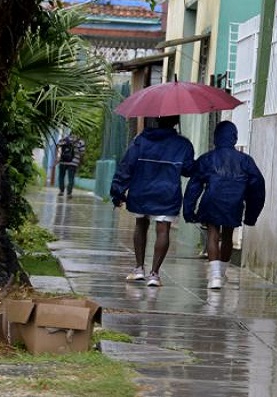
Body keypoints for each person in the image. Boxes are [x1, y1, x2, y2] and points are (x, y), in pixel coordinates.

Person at [110, 115, 195, 287]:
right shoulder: (183, 144)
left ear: (157, 120)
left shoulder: (141, 140)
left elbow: (127, 166)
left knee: (141, 225)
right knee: (163, 230)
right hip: (168, 192)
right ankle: (155, 274)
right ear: (176, 122)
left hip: (142, 190)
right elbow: (187, 170)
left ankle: (138, 268)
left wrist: (117, 191)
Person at [183, 121, 266, 290]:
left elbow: (194, 185)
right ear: (234, 138)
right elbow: (258, 187)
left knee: (213, 235)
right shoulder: (246, 161)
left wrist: (188, 210)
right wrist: (251, 215)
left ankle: (214, 277)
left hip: (212, 200)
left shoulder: (207, 158)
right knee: (227, 237)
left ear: (215, 138)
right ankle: (221, 273)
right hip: (234, 203)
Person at [56, 133, 86, 198]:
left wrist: (59, 156)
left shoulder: (64, 139)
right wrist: (81, 162)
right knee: (71, 178)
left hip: (63, 161)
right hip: (73, 162)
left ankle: (61, 191)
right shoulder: (80, 141)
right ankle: (69, 193)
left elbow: (58, 145)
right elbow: (82, 153)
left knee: (61, 176)